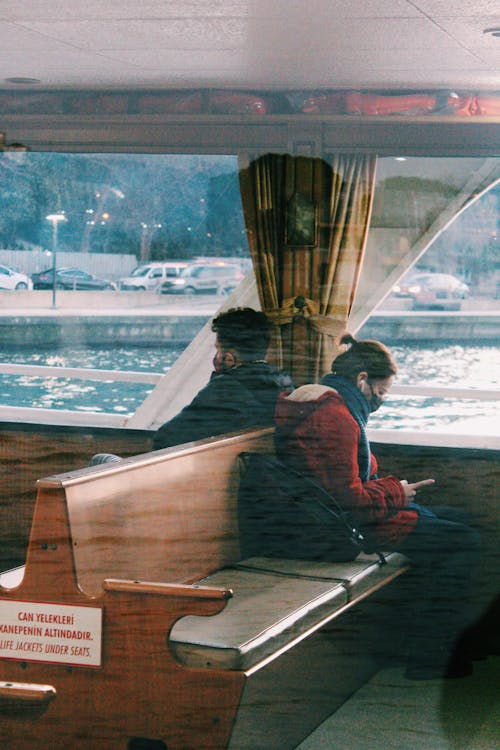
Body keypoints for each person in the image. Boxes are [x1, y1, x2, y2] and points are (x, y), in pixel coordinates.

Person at [274, 332, 481, 680]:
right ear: (362, 380)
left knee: (458, 520)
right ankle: (430, 655)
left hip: (335, 518)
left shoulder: (329, 406)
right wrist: (397, 493)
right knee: (465, 543)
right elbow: (351, 501)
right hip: (348, 529)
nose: (380, 401)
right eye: (382, 393)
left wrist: (393, 491)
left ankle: (425, 641)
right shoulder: (336, 418)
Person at [153, 307, 293, 449]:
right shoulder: (283, 382)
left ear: (229, 358)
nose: (217, 357)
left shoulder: (225, 388)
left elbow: (165, 437)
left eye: (218, 350)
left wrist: (221, 376)